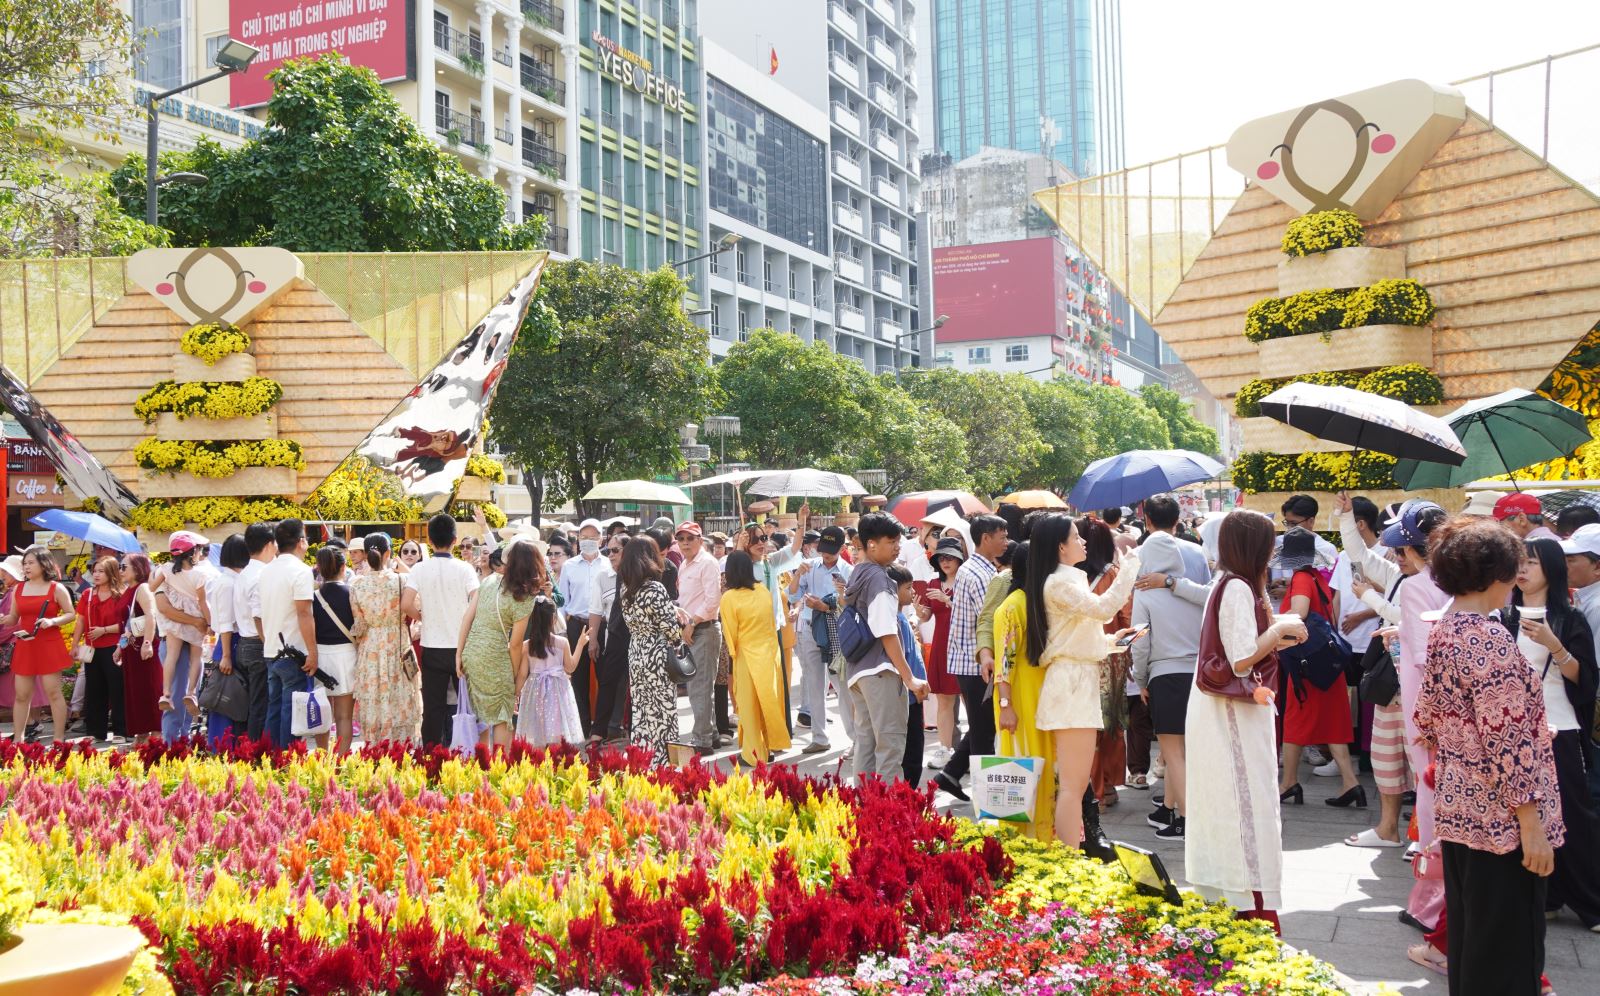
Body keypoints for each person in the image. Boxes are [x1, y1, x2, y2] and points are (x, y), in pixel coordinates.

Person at [1414, 518, 1563, 994]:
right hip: (1503, 819)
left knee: (1475, 940)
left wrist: (1527, 732)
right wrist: (1532, 825)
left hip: (1461, 808)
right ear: (1497, 573)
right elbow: (1506, 743)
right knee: (1509, 950)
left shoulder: (1446, 627)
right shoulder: (1488, 638)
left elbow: (1428, 719)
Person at [1186, 510, 1307, 934]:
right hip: (1231, 712)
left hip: (1224, 708)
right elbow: (1239, 658)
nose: (1274, 548)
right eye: (1269, 540)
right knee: (1246, 803)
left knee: (1232, 802)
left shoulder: (1232, 582)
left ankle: (1233, 901)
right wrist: (1279, 631)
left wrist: (1276, 631)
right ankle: (1250, 909)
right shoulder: (1237, 586)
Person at [1024, 513, 1138, 851]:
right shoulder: (1059, 583)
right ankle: (1070, 859)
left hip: (1077, 678)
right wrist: (1130, 564)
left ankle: (1072, 855)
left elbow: (1078, 636)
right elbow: (1104, 609)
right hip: (1071, 684)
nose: (1083, 541)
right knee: (1074, 786)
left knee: (1075, 783)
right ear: (1061, 546)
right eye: (1076, 537)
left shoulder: (1065, 580)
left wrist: (1112, 641)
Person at [1507, 537, 1600, 930]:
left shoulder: (1569, 617)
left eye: (1531, 563)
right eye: (1518, 563)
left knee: (1572, 817)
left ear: (1551, 568)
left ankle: (1591, 902)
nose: (1523, 570)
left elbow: (1586, 680)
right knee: (1524, 816)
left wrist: (1554, 645)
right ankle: (1548, 893)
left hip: (1560, 726)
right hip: (1514, 731)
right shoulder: (1503, 614)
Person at [1334, 492, 1414, 849]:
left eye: (1401, 549)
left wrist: (1370, 598)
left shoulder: (1437, 582)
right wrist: (1345, 518)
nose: (1394, 555)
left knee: (1420, 762)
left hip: (1418, 686)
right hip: (1391, 681)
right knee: (1386, 759)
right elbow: (1360, 556)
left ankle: (1421, 835)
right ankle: (1389, 828)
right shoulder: (1400, 574)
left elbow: (1410, 619)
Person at [1273, 527, 1365, 808]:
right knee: (1334, 723)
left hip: (1306, 665)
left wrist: (1271, 620)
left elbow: (1299, 613)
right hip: (1326, 662)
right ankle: (1351, 783)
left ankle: (1288, 782)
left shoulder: (1300, 578)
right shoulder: (1316, 578)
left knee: (1295, 720)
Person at [844, 512, 930, 781]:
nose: (897, 547)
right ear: (871, 544)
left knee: (866, 746)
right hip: (881, 671)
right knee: (890, 748)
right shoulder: (881, 579)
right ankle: (886, 815)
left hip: (859, 671)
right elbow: (886, 631)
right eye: (891, 541)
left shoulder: (859, 571)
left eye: (898, 541)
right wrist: (909, 677)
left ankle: (864, 811)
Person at [931, 514, 1009, 800]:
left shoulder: (981, 569)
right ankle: (986, 795)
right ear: (985, 538)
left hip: (971, 661)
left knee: (981, 723)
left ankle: (950, 774)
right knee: (983, 732)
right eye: (1001, 536)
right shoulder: (979, 574)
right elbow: (989, 621)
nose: (1005, 541)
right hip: (976, 664)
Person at [1132, 530, 1202, 838]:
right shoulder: (1196, 591)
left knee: (1173, 754)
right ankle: (1168, 808)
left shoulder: (1145, 593)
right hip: (1198, 677)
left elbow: (1140, 644)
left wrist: (1140, 678)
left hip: (1164, 676)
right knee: (1181, 751)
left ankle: (1187, 820)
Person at [994, 541, 1058, 840]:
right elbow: (1003, 666)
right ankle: (1020, 842)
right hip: (1019, 701)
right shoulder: (1012, 607)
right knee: (1021, 769)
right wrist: (1007, 705)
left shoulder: (1035, 601)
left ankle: (1043, 837)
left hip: (1041, 699)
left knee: (1043, 769)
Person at [456, 538, 542, 749]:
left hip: (472, 652)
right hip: (496, 656)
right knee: (502, 716)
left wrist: (459, 654)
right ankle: (498, 771)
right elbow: (515, 644)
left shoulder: (489, 581)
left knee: (481, 716)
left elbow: (467, 617)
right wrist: (513, 677)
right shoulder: (524, 596)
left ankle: (481, 767)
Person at [403, 513, 480, 747]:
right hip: (462, 645)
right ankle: (468, 752)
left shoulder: (419, 569)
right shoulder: (465, 569)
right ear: (455, 540)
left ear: (429, 538)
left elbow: (406, 605)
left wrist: (423, 617)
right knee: (467, 705)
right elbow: (477, 600)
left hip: (432, 645)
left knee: (433, 708)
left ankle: (430, 757)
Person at [1076, 516, 1136, 811]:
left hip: (1076, 659)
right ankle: (1108, 786)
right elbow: (1127, 617)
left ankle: (1089, 786)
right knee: (1110, 723)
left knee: (1084, 725)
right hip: (1110, 659)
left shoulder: (1067, 578)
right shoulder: (1113, 575)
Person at [720, 550, 792, 765]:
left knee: (749, 705)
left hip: (746, 657)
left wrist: (733, 656)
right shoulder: (762, 591)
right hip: (769, 654)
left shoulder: (729, 598)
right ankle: (768, 747)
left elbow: (730, 634)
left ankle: (753, 754)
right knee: (768, 702)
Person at [349, 533, 421, 745]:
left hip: (370, 647)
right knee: (399, 694)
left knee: (374, 695)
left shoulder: (357, 585)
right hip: (397, 643)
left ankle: (374, 744)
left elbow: (359, 625)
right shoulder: (402, 580)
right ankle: (399, 745)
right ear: (388, 553)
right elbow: (418, 606)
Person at [788, 525, 854, 754]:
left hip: (837, 631)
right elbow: (793, 594)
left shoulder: (848, 571)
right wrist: (797, 574)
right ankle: (819, 737)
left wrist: (825, 606)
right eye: (822, 549)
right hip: (809, 628)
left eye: (831, 551)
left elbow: (851, 606)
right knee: (814, 685)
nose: (825, 555)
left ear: (841, 548)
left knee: (842, 686)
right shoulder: (811, 566)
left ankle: (856, 738)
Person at [2, 546, 75, 744]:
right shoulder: (18, 588)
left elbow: (71, 614)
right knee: (21, 695)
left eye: (30, 562)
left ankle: (58, 738)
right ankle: (18, 739)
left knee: (53, 692)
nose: (26, 567)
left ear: (44, 564)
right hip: (26, 645)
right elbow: (13, 618)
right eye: (24, 563)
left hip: (49, 644)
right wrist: (3, 619)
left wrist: (52, 621)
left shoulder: (56, 588)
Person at [620, 536, 683, 761]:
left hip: (636, 651)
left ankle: (643, 759)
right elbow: (670, 628)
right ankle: (664, 763)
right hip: (657, 654)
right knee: (664, 711)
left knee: (643, 711)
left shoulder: (626, 590)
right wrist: (679, 641)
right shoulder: (654, 588)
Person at [261, 519, 317, 749]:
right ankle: (287, 763)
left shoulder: (266, 571)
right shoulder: (301, 571)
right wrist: (312, 651)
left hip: (271, 650)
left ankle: (269, 760)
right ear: (301, 542)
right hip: (294, 653)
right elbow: (304, 613)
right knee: (292, 714)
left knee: (274, 710)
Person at [511, 594, 586, 747]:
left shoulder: (527, 646)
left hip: (534, 692)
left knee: (536, 736)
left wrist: (515, 695)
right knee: (555, 735)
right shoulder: (562, 642)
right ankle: (553, 767)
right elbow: (570, 667)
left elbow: (522, 674)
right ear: (553, 619)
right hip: (557, 692)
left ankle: (539, 766)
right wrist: (580, 644)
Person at [675, 521, 723, 754]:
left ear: (700, 540)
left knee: (699, 688)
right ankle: (710, 735)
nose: (685, 543)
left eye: (689, 538)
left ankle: (702, 742)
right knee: (700, 687)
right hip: (692, 629)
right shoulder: (684, 564)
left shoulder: (708, 563)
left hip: (703, 628)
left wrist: (692, 623)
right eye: (681, 539)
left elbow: (713, 599)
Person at [70, 556, 129, 745]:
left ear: (111, 572)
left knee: (117, 688)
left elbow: (126, 624)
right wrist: (74, 643)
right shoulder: (88, 594)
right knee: (94, 689)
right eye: (94, 571)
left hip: (114, 646)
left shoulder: (121, 593)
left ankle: (121, 729)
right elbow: (80, 620)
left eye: (101, 571)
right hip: (91, 647)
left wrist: (104, 630)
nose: (96, 574)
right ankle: (96, 731)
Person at [557, 519, 608, 734]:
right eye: (584, 537)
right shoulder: (569, 566)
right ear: (577, 539)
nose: (588, 541)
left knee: (605, 676)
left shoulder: (608, 564)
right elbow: (562, 602)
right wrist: (562, 627)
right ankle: (582, 727)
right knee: (578, 679)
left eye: (593, 537)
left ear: (601, 539)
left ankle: (602, 727)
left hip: (603, 626)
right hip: (576, 625)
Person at [918, 537, 964, 768]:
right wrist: (919, 609)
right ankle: (944, 748)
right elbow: (926, 615)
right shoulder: (933, 584)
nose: (945, 562)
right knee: (944, 701)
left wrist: (948, 600)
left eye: (950, 557)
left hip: (965, 646)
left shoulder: (966, 581)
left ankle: (974, 750)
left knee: (971, 702)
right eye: (941, 558)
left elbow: (972, 614)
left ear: (959, 558)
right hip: (941, 645)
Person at [153, 534, 209, 717]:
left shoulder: (167, 568)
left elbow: (152, 587)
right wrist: (209, 623)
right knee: (196, 657)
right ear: (193, 553)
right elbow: (203, 603)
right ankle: (191, 693)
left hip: (176, 615)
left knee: (171, 655)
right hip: (194, 615)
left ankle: (166, 693)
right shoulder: (200, 574)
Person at [310, 546, 359, 752]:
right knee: (344, 715)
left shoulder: (313, 596)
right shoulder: (352, 593)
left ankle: (322, 757)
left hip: (319, 655)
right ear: (343, 567)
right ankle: (341, 759)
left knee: (322, 712)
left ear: (319, 568)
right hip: (346, 655)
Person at [203, 536, 249, 745]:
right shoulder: (227, 583)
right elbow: (225, 623)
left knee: (233, 696)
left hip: (231, 642)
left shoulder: (230, 579)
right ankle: (223, 747)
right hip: (230, 643)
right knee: (226, 696)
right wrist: (227, 655)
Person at [232, 523, 275, 741]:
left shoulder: (244, 573)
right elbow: (259, 614)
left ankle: (247, 747)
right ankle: (256, 750)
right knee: (261, 703)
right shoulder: (262, 574)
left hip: (244, 642)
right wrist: (268, 642)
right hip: (259, 643)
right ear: (270, 544)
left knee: (252, 703)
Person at [586, 537, 629, 746]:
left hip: (638, 637)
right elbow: (595, 610)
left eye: (615, 550)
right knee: (607, 684)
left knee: (636, 686)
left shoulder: (639, 575)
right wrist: (592, 638)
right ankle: (598, 731)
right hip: (613, 638)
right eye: (608, 550)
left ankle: (632, 728)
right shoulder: (603, 576)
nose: (610, 555)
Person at [117, 555, 162, 742]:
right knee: (136, 692)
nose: (120, 570)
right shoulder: (128, 589)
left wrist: (147, 643)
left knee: (150, 689)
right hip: (131, 648)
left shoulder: (142, 588)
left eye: (123, 566)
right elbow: (126, 624)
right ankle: (142, 732)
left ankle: (156, 734)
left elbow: (151, 616)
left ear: (137, 568)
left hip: (143, 647)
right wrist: (119, 647)